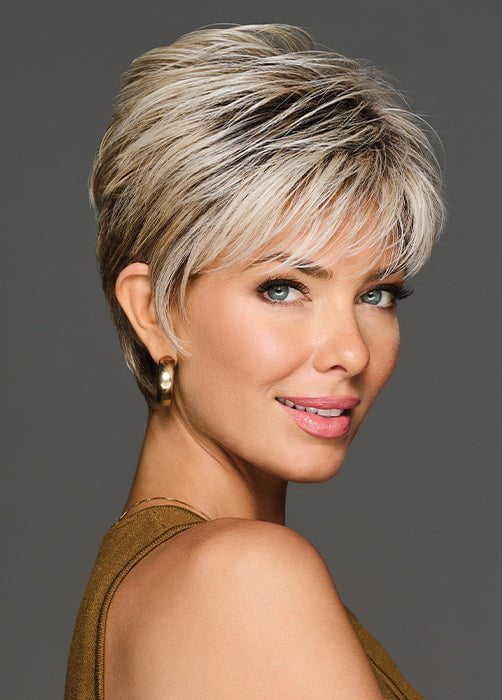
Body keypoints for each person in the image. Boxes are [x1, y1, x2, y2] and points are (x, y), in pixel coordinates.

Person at [65, 23, 445, 698]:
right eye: (282, 289)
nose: (351, 351)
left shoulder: (154, 580)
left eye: (376, 294)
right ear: (153, 310)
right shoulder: (240, 579)